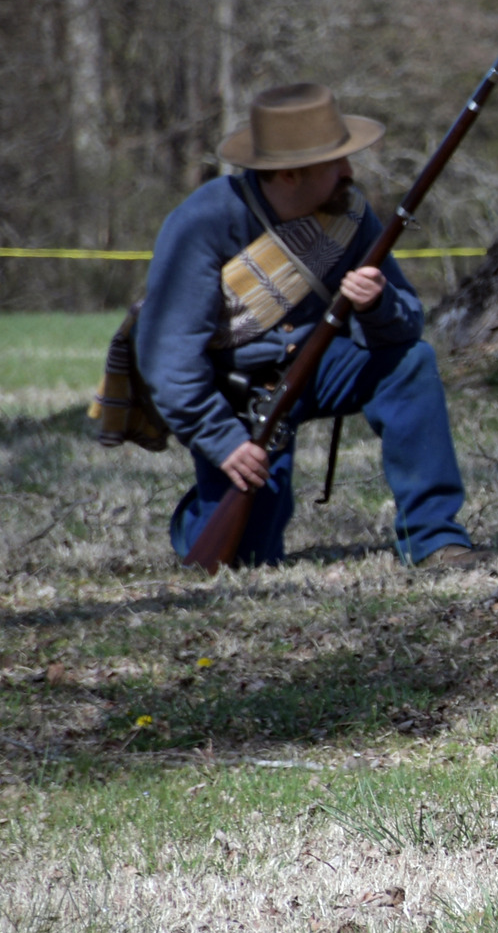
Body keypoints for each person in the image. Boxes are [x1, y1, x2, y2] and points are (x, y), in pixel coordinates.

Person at [136, 82, 479, 568]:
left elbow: (405, 327)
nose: (349, 172)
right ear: (291, 173)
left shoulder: (349, 216)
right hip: (237, 395)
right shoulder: (203, 222)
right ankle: (196, 521)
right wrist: (225, 444)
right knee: (247, 557)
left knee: (411, 363)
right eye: (335, 162)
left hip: (318, 369)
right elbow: (168, 361)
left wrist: (376, 304)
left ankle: (435, 538)